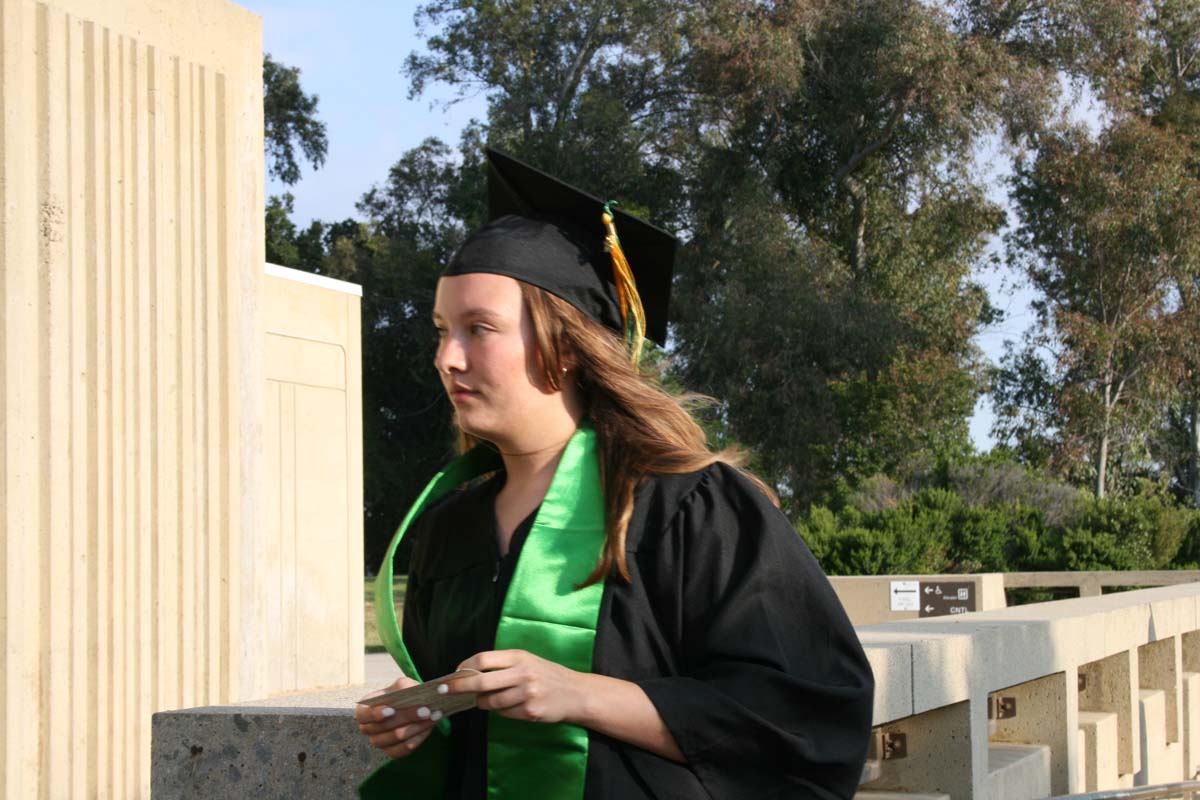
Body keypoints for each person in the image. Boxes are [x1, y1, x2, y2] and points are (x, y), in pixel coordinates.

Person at [355, 149, 874, 799]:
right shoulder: (448, 525)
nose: (446, 358)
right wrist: (426, 713)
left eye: (478, 329)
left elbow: (804, 719)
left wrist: (581, 695)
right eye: (440, 330)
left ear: (565, 346)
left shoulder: (692, 509)